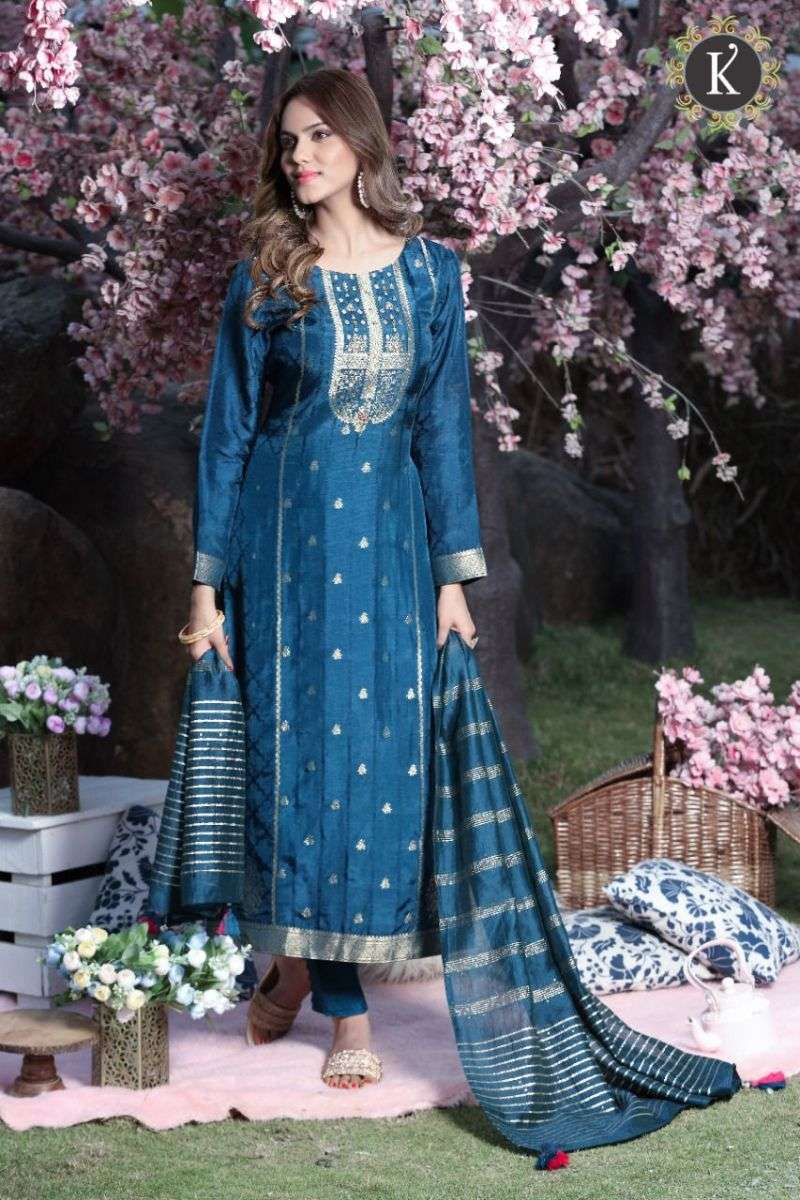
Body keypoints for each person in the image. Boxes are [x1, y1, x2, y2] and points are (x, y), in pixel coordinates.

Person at [182, 66, 486, 1089]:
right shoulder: (269, 276)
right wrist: (205, 587)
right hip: (285, 558)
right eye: (288, 142)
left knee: (382, 769)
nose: (300, 157)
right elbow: (227, 437)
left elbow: (442, 428)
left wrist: (451, 579)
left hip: (391, 556)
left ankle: (295, 972)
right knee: (303, 764)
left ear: (361, 143)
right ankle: (346, 1014)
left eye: (318, 136)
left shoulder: (431, 275)